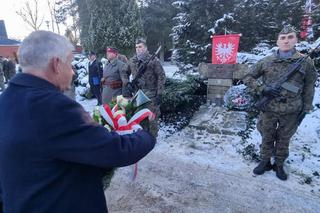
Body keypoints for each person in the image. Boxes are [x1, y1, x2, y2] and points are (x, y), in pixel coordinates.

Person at [0, 31, 156, 213]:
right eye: (70, 64)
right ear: (56, 65)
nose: (73, 71)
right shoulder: (53, 107)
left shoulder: (5, 102)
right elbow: (113, 150)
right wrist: (145, 134)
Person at [243, 25, 317, 181]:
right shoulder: (267, 61)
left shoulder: (306, 62)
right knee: (266, 135)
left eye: (290, 37)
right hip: (269, 107)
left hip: (291, 110)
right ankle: (264, 161)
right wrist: (262, 89)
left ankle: (279, 164)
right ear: (277, 41)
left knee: (284, 138)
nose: (286, 41)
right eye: (283, 38)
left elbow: (309, 86)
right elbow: (247, 77)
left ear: (296, 39)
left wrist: (306, 108)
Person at [125, 38, 166, 138]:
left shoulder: (153, 60)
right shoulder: (132, 61)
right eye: (136, 47)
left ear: (145, 47)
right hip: (138, 93)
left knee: (152, 117)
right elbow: (124, 72)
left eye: (140, 47)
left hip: (151, 93)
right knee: (139, 116)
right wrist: (127, 84)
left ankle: (152, 138)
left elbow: (161, 76)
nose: (138, 49)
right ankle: (142, 136)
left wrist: (160, 93)